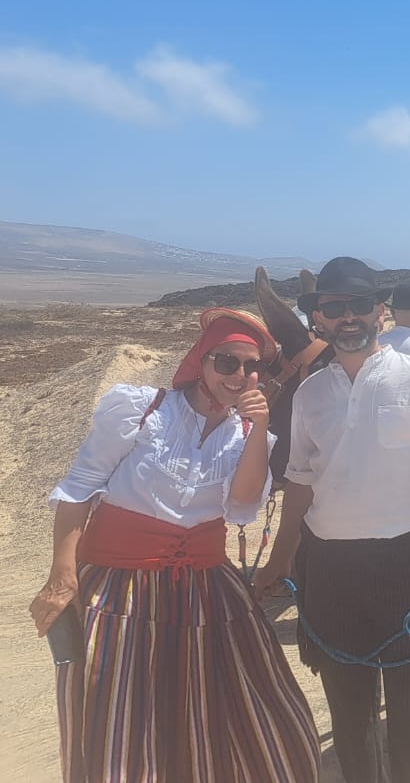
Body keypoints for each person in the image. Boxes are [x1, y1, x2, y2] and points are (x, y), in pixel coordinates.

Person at [32, 308, 319, 782]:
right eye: (227, 362)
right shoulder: (140, 409)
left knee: (244, 708)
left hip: (205, 587)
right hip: (119, 586)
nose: (240, 375)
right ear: (200, 361)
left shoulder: (249, 435)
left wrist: (255, 432)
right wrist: (62, 575)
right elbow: (79, 487)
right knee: (122, 713)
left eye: (253, 367)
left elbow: (242, 504)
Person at [259, 256, 410, 783]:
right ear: (319, 319)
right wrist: (278, 563)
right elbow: (301, 487)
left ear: (379, 312)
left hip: (408, 565)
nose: (347, 317)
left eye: (359, 305)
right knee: (349, 714)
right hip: (330, 570)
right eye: (334, 308)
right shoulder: (310, 395)